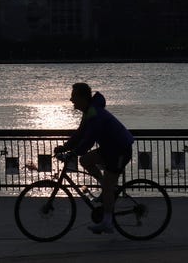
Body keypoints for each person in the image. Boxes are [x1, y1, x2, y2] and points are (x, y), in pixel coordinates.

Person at [53, 82, 134, 234]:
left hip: (120, 150)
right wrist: (65, 147)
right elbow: (80, 134)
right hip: (109, 149)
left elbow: (89, 139)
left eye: (73, 97)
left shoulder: (94, 113)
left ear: (82, 98)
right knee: (85, 160)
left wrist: (73, 152)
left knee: (109, 186)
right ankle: (105, 189)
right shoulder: (88, 111)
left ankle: (108, 222)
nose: (71, 100)